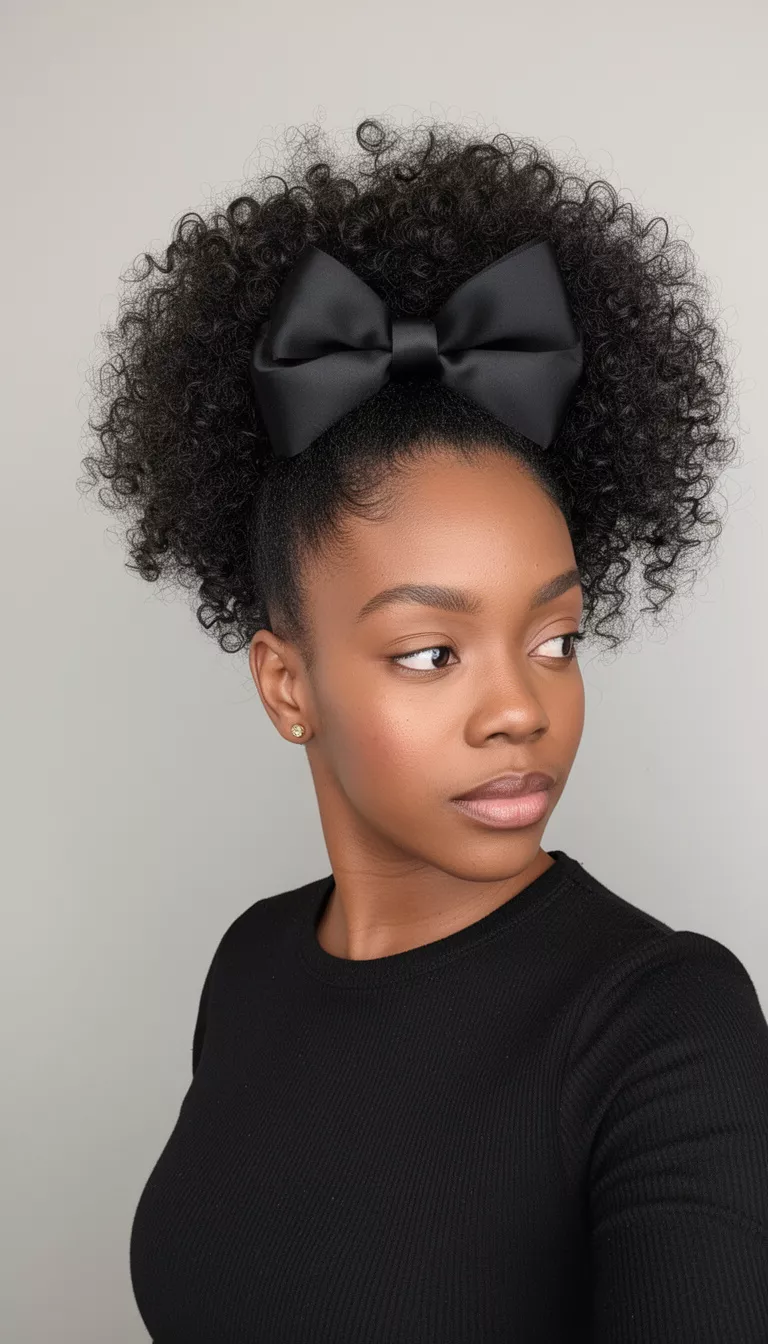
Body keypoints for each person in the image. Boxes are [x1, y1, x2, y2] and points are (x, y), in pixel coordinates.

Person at [80, 117, 768, 1342]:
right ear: (288, 686)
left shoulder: (665, 1024)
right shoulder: (251, 967)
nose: (521, 708)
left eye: (556, 640)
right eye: (431, 652)